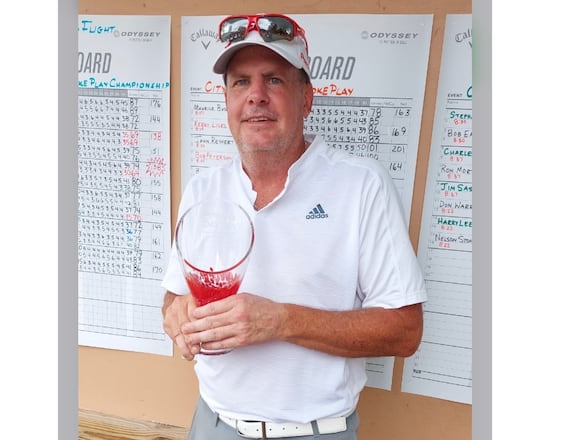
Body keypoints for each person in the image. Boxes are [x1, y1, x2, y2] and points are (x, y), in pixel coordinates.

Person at [161, 13, 427, 440]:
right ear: (227, 99)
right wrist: (176, 316)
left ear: (306, 98)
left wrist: (279, 320)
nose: (256, 97)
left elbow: (405, 331)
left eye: (275, 80)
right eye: (241, 82)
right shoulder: (202, 188)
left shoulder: (361, 185)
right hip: (212, 424)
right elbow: (174, 296)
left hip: (315, 431)